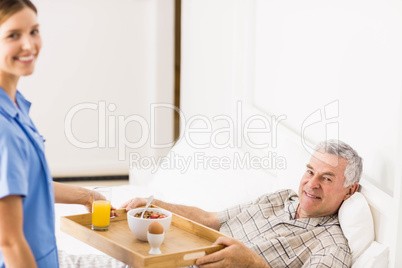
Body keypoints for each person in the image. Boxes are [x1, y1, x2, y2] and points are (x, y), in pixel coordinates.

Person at [0, 1, 117, 267]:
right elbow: (9, 241)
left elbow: (23, 184)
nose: (29, 45)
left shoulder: (16, 105)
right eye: (13, 35)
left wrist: (88, 196)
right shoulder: (3, 129)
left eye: (34, 31)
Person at [121, 140, 362, 268]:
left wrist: (253, 264)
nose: (312, 183)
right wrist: (155, 205)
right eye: (310, 171)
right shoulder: (279, 198)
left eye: (327, 178)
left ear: (349, 191)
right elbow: (208, 219)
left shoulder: (331, 248)